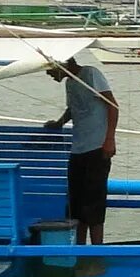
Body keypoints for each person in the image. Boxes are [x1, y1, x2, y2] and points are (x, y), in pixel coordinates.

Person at [44, 55, 119, 243]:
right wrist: (59, 123)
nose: (48, 73)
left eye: (51, 69)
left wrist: (109, 139)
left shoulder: (91, 74)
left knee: (94, 201)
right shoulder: (70, 83)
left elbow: (112, 106)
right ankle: (80, 248)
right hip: (78, 148)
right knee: (76, 203)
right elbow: (73, 108)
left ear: (63, 64)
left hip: (97, 146)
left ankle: (96, 250)